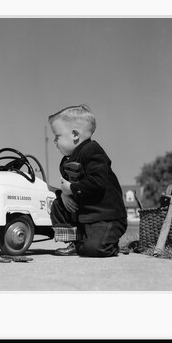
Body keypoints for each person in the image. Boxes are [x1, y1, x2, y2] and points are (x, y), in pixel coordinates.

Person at [48, 104, 127, 257]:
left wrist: (71, 188)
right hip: (85, 215)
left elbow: (97, 183)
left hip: (106, 217)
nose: (54, 141)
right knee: (58, 204)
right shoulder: (66, 162)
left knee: (94, 249)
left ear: (75, 135)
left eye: (57, 136)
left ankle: (107, 244)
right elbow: (67, 188)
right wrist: (64, 195)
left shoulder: (93, 151)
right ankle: (75, 242)